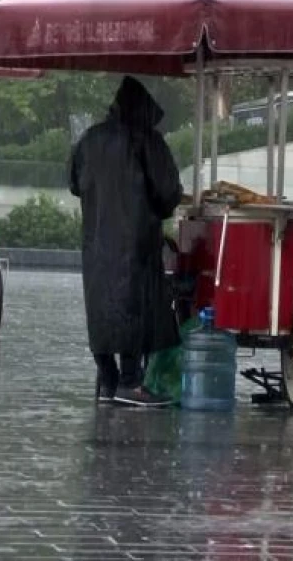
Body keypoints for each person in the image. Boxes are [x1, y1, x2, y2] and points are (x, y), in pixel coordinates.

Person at [69, 76, 183, 407]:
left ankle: (109, 380)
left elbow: (75, 184)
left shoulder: (90, 140)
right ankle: (131, 382)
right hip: (136, 242)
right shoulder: (145, 142)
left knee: (102, 309)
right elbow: (167, 194)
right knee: (135, 307)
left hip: (96, 241)